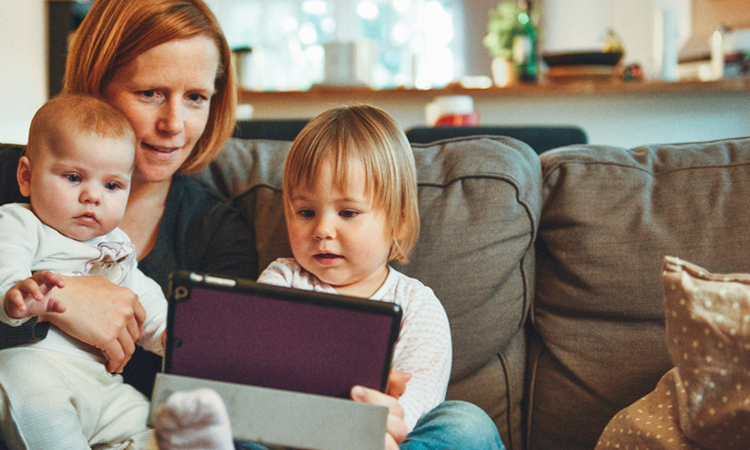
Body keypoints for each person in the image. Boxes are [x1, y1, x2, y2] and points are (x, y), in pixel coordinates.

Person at [154, 105, 506, 450]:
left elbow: (413, 410)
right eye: (305, 212)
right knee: (223, 415)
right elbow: (257, 379)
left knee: (466, 423)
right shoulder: (282, 280)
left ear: (398, 220)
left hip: (378, 442)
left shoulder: (418, 306)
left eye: (348, 212)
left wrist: (368, 429)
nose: (322, 230)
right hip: (287, 438)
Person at [0, 0, 257, 400]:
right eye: (150, 93)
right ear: (95, 84)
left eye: (195, 98)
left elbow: (214, 385)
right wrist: (59, 300)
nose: (173, 124)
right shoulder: (11, 181)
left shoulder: (218, 234)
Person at [0, 94, 170, 448]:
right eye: (74, 177)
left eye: (112, 185)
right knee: (34, 399)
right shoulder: (19, 222)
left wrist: (171, 333)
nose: (93, 196)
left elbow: (140, 294)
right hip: (36, 366)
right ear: (27, 177)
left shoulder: (116, 243)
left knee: (154, 427)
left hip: (103, 383)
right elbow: (6, 262)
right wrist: (16, 294)